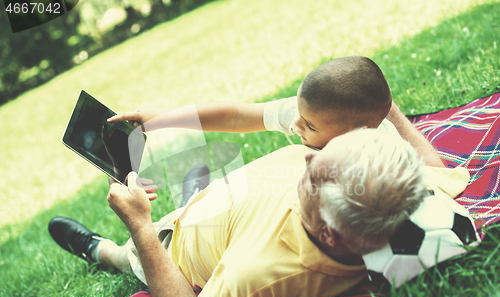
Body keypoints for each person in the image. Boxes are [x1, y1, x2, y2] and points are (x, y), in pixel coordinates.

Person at [50, 129, 430, 297]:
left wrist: (140, 225)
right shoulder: (398, 185)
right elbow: (437, 170)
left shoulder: (254, 278)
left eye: (312, 174)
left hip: (176, 247)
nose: (309, 155)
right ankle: (193, 195)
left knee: (129, 255)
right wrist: (386, 106)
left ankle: (99, 250)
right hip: (226, 208)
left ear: (329, 235)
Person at [107, 55, 445, 167]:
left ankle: (107, 253)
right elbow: (238, 116)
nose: (295, 123)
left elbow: (436, 173)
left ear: (351, 136)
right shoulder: (314, 116)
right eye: (298, 110)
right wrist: (163, 118)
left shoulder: (384, 161)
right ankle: (108, 250)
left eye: (308, 124)